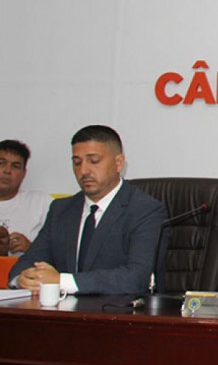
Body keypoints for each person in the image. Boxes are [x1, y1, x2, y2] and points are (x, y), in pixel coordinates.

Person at [9, 125, 167, 295]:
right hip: (62, 314)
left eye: (94, 161)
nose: (83, 171)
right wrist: (23, 279)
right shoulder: (61, 209)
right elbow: (27, 261)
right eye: (77, 162)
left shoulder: (145, 210)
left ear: (118, 163)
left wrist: (61, 281)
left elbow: (136, 279)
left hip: (116, 314)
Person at [0, 140, 52, 255]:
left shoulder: (41, 202)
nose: (7, 170)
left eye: (15, 166)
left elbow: (63, 252)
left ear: (23, 174)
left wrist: (31, 248)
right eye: (1, 163)